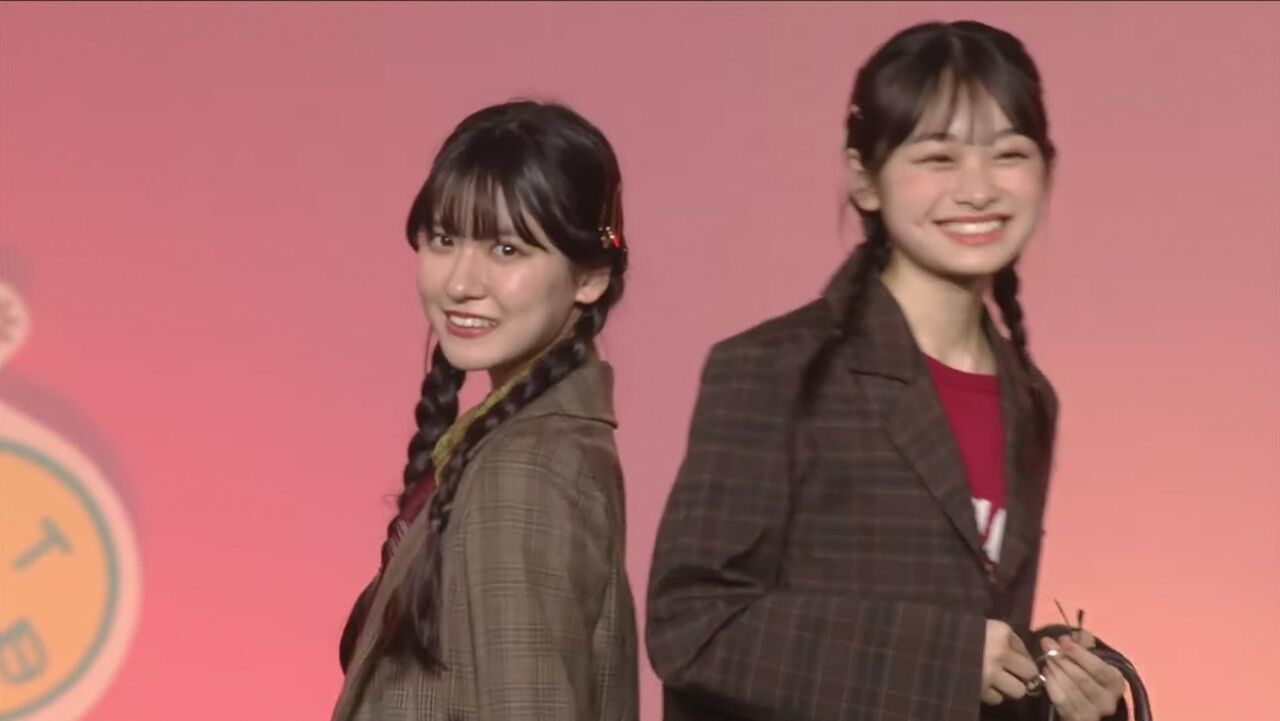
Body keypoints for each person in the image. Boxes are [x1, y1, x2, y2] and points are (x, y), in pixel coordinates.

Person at [646, 21, 1126, 721]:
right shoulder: (774, 370)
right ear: (864, 177)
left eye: (1008, 154)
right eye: (938, 157)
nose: (977, 189)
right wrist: (946, 659)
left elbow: (979, 661)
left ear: (1046, 171)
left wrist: (1064, 690)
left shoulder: (1029, 398)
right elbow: (693, 624)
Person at [333, 100, 638, 721]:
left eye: (506, 250)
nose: (460, 283)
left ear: (590, 277)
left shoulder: (526, 469)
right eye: (445, 240)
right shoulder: (521, 446)